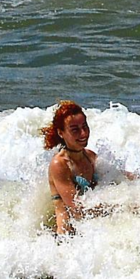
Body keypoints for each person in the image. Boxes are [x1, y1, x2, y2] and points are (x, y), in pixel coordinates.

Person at [42, 100, 102, 235]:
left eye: (85, 127)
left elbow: (117, 177)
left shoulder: (91, 156)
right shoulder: (59, 165)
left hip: (90, 232)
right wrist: (114, 209)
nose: (83, 133)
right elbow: (77, 211)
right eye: (75, 130)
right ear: (61, 133)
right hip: (67, 238)